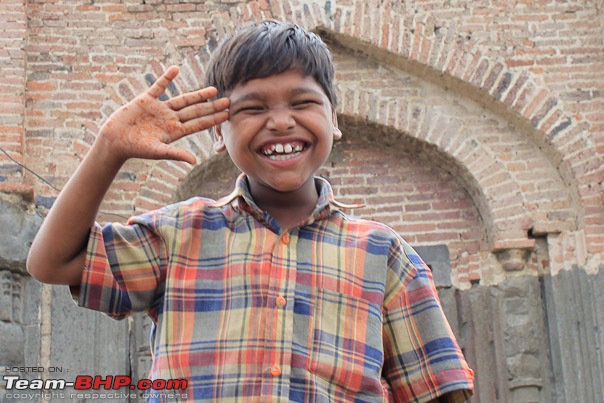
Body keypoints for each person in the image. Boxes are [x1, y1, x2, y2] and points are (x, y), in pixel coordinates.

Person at [27, 19, 474, 402]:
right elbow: (53, 262)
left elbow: (437, 391)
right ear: (218, 133)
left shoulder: (384, 255)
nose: (280, 121)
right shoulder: (179, 234)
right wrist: (109, 148)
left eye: (302, 103)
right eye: (253, 108)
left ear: (334, 119)